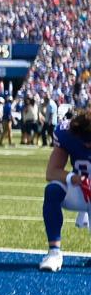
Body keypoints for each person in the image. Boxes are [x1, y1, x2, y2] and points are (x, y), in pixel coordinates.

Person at [39, 109, 91, 272]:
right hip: (79, 187)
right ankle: (54, 252)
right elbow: (52, 172)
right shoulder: (67, 133)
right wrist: (74, 178)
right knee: (53, 190)